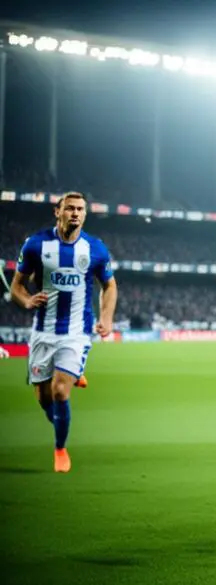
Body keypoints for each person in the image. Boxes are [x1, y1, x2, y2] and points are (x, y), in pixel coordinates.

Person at [10, 192, 117, 472]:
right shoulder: (36, 244)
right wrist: (26, 300)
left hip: (77, 331)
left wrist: (106, 318)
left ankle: (60, 449)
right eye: (69, 208)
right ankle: (70, 380)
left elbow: (110, 286)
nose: (75, 213)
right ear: (57, 212)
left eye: (80, 209)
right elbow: (16, 287)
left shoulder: (95, 248)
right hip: (43, 331)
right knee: (44, 398)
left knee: (59, 392)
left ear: (85, 214)